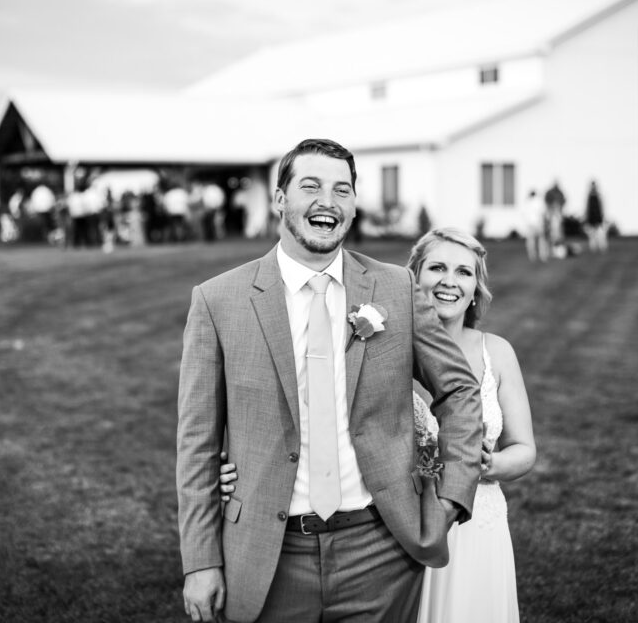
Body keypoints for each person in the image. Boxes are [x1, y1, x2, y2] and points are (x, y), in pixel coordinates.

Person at [176, 138, 484, 623]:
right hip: (268, 554)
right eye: (311, 186)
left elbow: (459, 390)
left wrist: (451, 496)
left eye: (342, 190)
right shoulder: (219, 301)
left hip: (381, 552)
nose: (328, 202)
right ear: (280, 199)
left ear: (354, 204)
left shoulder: (396, 288)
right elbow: (196, 443)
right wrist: (200, 560)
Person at [219, 227, 537, 622]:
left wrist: (484, 465)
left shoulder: (498, 352)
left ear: (477, 287)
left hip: (475, 524)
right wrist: (240, 466)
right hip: (394, 525)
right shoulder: (380, 348)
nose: (449, 282)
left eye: (464, 272)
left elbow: (524, 450)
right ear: (411, 278)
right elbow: (303, 411)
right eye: (437, 267)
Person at [520, 190, 547, 263]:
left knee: (531, 240)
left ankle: (532, 256)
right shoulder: (539, 201)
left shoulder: (527, 202)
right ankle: (542, 255)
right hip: (538, 223)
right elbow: (543, 212)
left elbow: (523, 213)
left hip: (530, 224)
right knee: (541, 240)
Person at [584, 181, 607, 253]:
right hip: (591, 218)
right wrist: (586, 217)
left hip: (598, 218)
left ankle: (602, 247)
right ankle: (593, 248)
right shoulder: (589, 196)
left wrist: (602, 216)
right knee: (592, 235)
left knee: (600, 234)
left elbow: (601, 207)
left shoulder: (599, 196)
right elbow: (587, 208)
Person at [544, 181, 566, 256]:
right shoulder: (550, 194)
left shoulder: (560, 193)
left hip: (556, 225)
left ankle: (557, 250)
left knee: (558, 235)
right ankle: (551, 250)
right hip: (552, 225)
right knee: (551, 235)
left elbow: (563, 200)